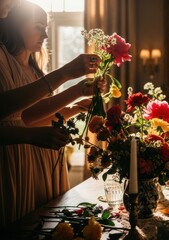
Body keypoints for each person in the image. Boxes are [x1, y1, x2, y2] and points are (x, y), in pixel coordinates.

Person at [0, 0, 100, 227]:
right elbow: (25, 117)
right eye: (37, 26)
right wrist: (71, 83)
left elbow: (37, 116)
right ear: (17, 25)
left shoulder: (35, 68)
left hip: (40, 152)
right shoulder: (7, 62)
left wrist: (76, 107)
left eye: (45, 28)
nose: (44, 35)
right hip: (21, 153)